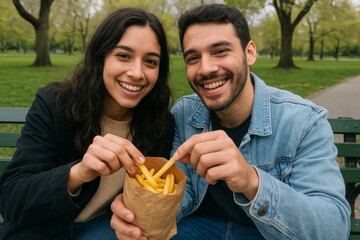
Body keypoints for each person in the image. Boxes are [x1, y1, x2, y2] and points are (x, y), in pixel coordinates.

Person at [110, 3, 351, 240]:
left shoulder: (304, 121)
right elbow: (180, 194)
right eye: (193, 58)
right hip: (197, 229)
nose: (206, 68)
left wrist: (251, 181)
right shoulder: (184, 113)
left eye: (220, 51)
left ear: (250, 53)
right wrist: (139, 216)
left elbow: (333, 229)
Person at [0, 7, 174, 240]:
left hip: (103, 229)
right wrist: (78, 174)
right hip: (40, 228)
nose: (137, 72)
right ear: (101, 57)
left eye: (150, 62)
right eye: (124, 55)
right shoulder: (55, 104)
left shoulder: (160, 123)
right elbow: (12, 197)